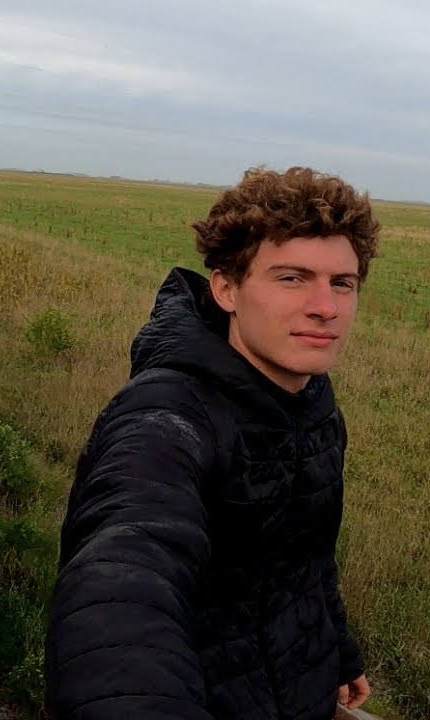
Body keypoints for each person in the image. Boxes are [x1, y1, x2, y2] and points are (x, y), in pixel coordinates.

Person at [45, 166, 379, 720]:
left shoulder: (313, 404)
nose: (326, 307)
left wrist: (337, 650)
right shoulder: (165, 420)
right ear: (226, 288)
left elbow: (306, 556)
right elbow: (122, 585)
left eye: (342, 283)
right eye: (292, 278)